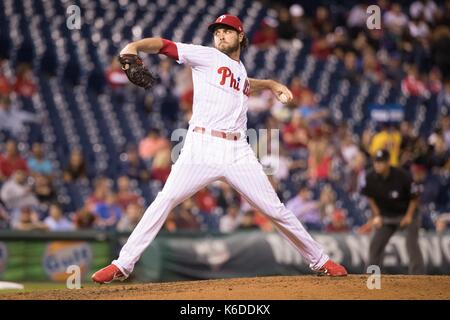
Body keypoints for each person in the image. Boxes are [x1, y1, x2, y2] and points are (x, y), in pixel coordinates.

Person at [92, 14, 347, 283]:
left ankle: (320, 261)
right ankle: (123, 264)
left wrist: (271, 84)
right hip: (201, 146)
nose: (220, 35)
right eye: (217, 32)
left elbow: (246, 84)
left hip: (238, 151)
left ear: (241, 36)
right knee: (165, 200)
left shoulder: (239, 71)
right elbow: (164, 45)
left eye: (227, 31)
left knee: (275, 209)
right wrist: (133, 47)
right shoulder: (205, 56)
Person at [361, 149, 425, 274]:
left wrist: (408, 216)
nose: (378, 165)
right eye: (376, 162)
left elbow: (415, 196)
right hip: (386, 217)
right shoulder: (370, 176)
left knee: (411, 244)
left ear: (388, 162)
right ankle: (372, 277)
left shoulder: (402, 175)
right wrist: (377, 215)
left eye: (381, 162)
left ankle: (418, 277)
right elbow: (370, 197)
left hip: (407, 214)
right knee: (375, 244)